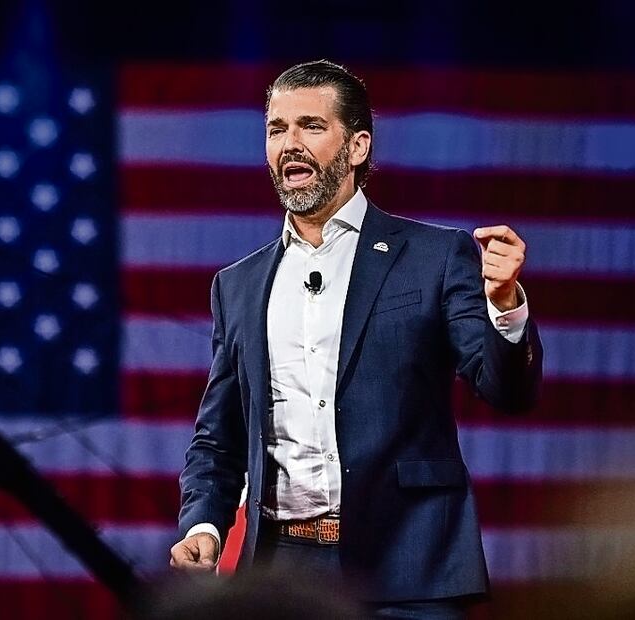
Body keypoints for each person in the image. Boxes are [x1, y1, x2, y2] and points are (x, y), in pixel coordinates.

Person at [169, 59, 542, 618]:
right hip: (281, 573)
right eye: (277, 129)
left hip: (409, 563)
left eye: (311, 126)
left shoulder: (435, 257)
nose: (290, 143)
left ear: (358, 146)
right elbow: (218, 438)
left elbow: (505, 389)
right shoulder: (238, 286)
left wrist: (505, 303)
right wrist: (204, 523)